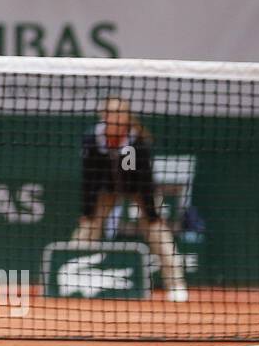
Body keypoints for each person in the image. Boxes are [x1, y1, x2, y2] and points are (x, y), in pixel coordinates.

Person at [72, 95, 188, 301]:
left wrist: (151, 213)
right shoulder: (92, 140)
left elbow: (143, 180)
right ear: (103, 116)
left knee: (157, 231)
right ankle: (70, 281)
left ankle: (176, 286)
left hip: (138, 189)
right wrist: (87, 212)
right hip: (105, 189)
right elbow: (89, 179)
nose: (115, 117)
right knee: (86, 229)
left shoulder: (136, 142)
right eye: (110, 113)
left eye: (119, 113)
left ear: (126, 117)